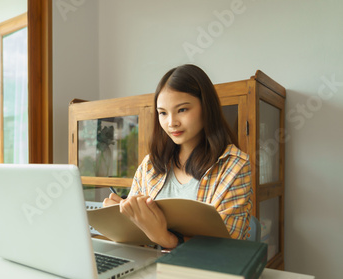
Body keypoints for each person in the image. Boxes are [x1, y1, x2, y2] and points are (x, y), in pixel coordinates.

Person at [103, 64, 252, 248]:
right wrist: (119, 219)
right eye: (163, 113)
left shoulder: (234, 166)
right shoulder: (150, 164)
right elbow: (135, 236)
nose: (171, 122)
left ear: (206, 107)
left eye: (182, 110)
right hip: (146, 270)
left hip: (203, 275)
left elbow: (229, 250)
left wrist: (164, 238)